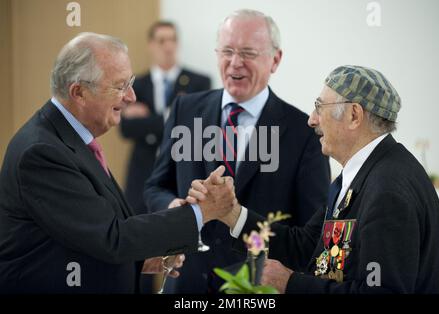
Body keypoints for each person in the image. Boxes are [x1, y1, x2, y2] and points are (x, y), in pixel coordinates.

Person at [0, 32, 234, 294]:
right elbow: (112, 237)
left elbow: (88, 236)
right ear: (79, 92)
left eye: (130, 83)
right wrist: (202, 212)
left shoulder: (71, 139)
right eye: (120, 86)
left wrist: (139, 258)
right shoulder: (42, 153)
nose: (131, 96)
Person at [188, 65, 439, 293]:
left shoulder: (388, 189)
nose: (311, 120)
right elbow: (304, 246)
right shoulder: (358, 175)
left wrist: (291, 284)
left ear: (354, 115)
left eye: (320, 107)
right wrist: (230, 213)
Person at [144, 9, 330, 293]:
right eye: (227, 51)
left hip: (252, 289)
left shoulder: (303, 132)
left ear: (275, 60)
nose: (235, 63)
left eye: (248, 53)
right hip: (186, 285)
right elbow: (155, 186)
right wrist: (173, 208)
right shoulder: (185, 110)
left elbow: (310, 237)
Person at [120, 21, 211, 215]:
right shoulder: (135, 85)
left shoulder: (199, 83)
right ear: (151, 45)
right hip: (142, 173)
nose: (168, 46)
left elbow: (200, 128)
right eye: (162, 41)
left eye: (173, 40)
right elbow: (126, 128)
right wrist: (175, 114)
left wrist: (151, 120)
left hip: (182, 172)